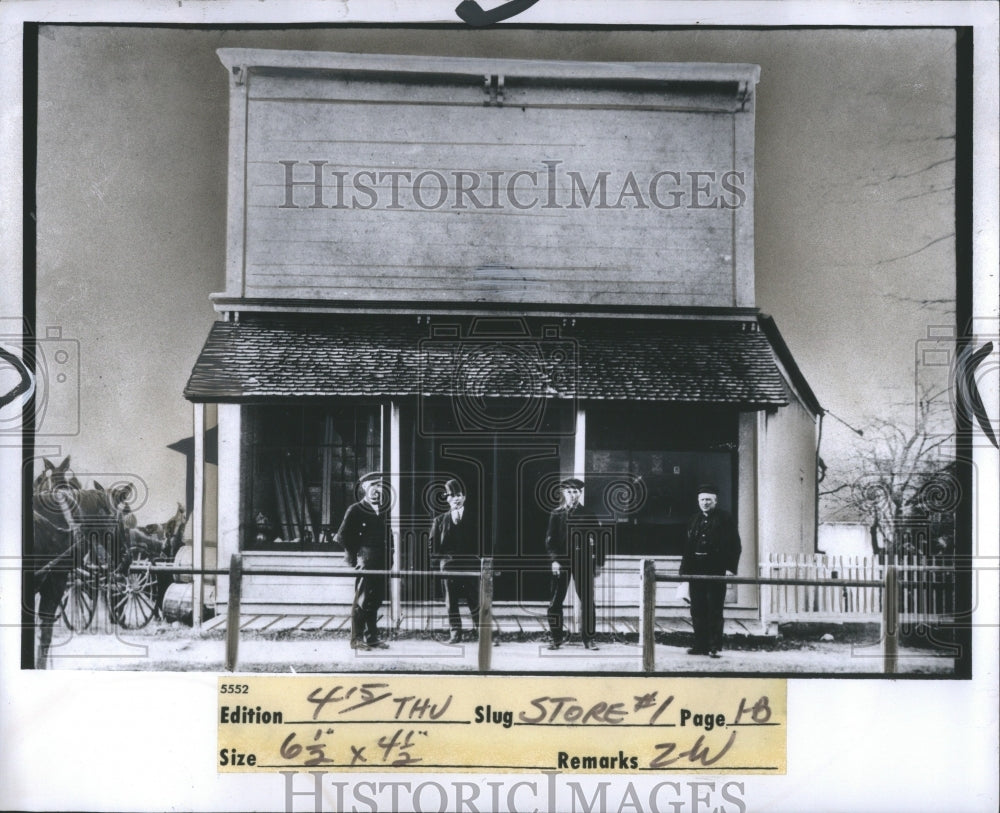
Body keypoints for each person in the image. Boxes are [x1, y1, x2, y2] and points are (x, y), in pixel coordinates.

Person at [678, 483, 741, 658]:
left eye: (708, 500)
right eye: (702, 500)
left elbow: (735, 545)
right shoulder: (694, 519)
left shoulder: (725, 518)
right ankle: (700, 645)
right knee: (697, 608)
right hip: (696, 570)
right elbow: (688, 547)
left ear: (715, 501)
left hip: (716, 569)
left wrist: (730, 567)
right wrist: (684, 571)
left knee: (714, 608)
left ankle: (714, 647)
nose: (705, 503)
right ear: (698, 501)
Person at [334, 473, 393, 650]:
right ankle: (356, 639)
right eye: (373, 485)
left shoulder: (384, 510)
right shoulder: (355, 509)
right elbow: (342, 536)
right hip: (366, 561)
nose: (377, 489)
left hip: (383, 561)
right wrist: (356, 555)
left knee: (375, 600)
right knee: (362, 599)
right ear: (364, 488)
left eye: (380, 485)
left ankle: (372, 637)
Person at [545, 477, 603, 650]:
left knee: (587, 601)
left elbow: (599, 541)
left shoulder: (588, 514)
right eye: (569, 491)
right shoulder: (556, 514)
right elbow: (550, 541)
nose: (572, 495)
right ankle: (556, 639)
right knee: (555, 602)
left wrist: (598, 563)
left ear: (580, 493)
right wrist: (554, 561)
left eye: (576, 491)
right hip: (561, 563)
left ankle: (589, 639)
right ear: (563, 493)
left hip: (583, 562)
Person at [428, 479, 481, 644]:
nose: (456, 499)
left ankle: (481, 632)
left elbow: (484, 541)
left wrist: (480, 561)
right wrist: (438, 565)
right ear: (447, 499)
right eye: (452, 496)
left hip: (470, 564)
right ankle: (455, 633)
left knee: (475, 599)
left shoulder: (475, 518)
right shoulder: (440, 521)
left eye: (458, 495)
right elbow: (433, 545)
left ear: (464, 497)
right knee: (451, 601)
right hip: (449, 565)